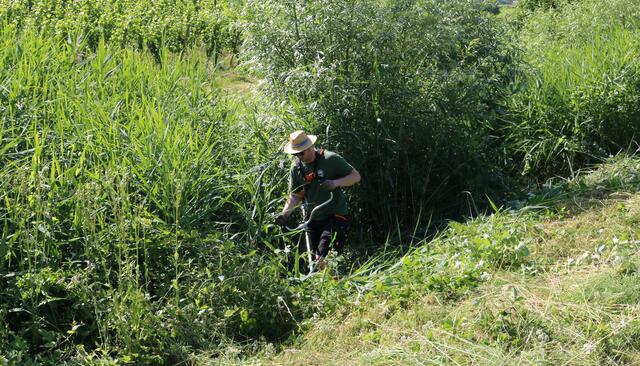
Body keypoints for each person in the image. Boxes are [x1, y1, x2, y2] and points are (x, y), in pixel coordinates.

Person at [276, 130, 361, 271]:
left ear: (310, 147)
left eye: (301, 153)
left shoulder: (330, 159)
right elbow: (296, 195)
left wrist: (335, 183)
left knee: (324, 258)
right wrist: (285, 215)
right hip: (313, 218)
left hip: (335, 214)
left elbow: (355, 176)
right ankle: (331, 287)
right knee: (317, 261)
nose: (299, 157)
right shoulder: (296, 168)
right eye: (295, 154)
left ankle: (334, 287)